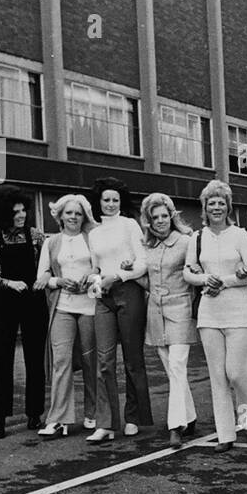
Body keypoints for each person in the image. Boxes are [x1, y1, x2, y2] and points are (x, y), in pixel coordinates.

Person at [185, 179, 247, 452]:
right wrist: (205, 279)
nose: (216, 207)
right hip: (209, 314)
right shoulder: (196, 238)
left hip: (239, 312)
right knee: (217, 375)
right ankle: (225, 434)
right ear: (205, 208)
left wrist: (227, 280)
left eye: (221, 203)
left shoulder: (240, 235)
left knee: (237, 372)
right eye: (211, 203)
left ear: (228, 207)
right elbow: (188, 272)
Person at [86, 177, 152, 443]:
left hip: (129, 292)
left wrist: (117, 277)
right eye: (106, 200)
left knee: (133, 359)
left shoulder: (130, 225)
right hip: (104, 297)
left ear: (121, 202)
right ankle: (106, 423)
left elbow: (143, 263)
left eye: (115, 200)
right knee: (104, 361)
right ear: (99, 202)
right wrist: (95, 280)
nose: (111, 204)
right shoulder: (94, 232)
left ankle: (134, 418)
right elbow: (95, 268)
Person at [0, 185, 47, 438]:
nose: (21, 215)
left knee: (35, 358)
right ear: (2, 213)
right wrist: (7, 282)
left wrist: (44, 278)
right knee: (2, 359)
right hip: (3, 302)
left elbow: (48, 266)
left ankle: (34, 413)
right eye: (15, 212)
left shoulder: (37, 237)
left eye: (23, 210)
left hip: (33, 301)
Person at [34, 194, 98, 438]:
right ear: (60, 216)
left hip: (90, 306)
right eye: (69, 213)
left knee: (92, 362)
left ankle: (93, 414)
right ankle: (59, 419)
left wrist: (89, 278)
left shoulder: (91, 239)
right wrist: (58, 280)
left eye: (78, 213)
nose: (73, 217)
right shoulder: (51, 243)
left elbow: (100, 268)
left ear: (84, 217)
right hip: (62, 307)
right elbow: (42, 277)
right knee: (61, 362)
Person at [140, 192, 199, 447]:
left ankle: (175, 426)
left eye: (165, 216)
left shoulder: (187, 241)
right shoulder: (146, 246)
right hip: (155, 312)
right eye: (156, 217)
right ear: (149, 221)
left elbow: (195, 272)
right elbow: (144, 278)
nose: (161, 221)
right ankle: (191, 416)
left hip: (180, 309)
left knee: (177, 366)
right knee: (172, 370)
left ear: (172, 216)